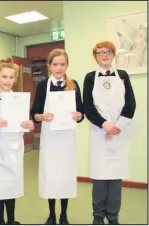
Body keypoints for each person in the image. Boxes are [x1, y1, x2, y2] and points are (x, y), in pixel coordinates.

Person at [83, 40, 136, 225]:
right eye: (100, 52)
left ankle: (113, 216)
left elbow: (130, 103)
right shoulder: (90, 77)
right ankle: (98, 216)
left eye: (108, 52)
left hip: (119, 131)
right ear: (95, 56)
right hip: (99, 131)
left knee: (115, 176)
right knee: (99, 175)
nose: (104, 55)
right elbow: (87, 107)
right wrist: (104, 124)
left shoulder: (123, 75)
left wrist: (117, 125)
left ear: (113, 55)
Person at [30, 49, 84, 225]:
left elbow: (81, 112)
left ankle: (64, 215)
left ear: (67, 65)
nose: (59, 68)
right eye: (55, 64)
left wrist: (79, 116)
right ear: (49, 66)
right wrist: (41, 116)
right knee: (51, 175)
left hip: (67, 138)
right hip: (50, 137)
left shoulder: (73, 84)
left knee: (65, 175)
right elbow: (34, 113)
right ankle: (52, 214)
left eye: (62, 64)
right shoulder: (43, 85)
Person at [0, 58, 34, 225]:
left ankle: (11, 220)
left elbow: (26, 123)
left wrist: (30, 125)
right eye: (4, 77)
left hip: (15, 148)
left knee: (11, 185)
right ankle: (1, 221)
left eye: (11, 77)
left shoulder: (20, 99)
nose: (8, 81)